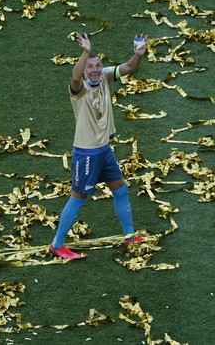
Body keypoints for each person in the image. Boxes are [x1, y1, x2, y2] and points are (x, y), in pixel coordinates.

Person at [49, 32, 148, 259]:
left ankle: (130, 237)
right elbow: (74, 78)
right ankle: (57, 244)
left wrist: (138, 54)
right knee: (77, 198)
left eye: (97, 65)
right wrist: (85, 52)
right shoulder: (79, 89)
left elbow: (129, 69)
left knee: (120, 189)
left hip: (104, 150)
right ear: (84, 70)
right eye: (90, 66)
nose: (94, 69)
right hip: (86, 154)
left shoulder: (103, 77)